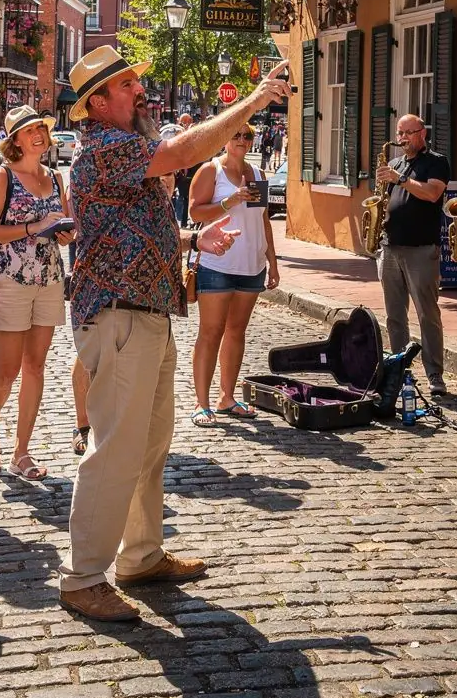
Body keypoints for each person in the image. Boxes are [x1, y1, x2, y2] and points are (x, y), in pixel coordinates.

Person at [60, 45, 291, 623]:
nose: (141, 91)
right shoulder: (106, 148)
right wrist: (255, 101)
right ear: (98, 103)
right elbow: (186, 149)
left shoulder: (123, 150)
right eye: (128, 86)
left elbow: (129, 227)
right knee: (115, 449)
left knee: (151, 444)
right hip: (119, 313)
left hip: (147, 310)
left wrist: (188, 242)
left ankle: (140, 556)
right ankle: (83, 577)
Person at [0, 106, 75, 480]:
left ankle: (22, 451)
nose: (38, 135)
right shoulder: (2, 177)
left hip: (49, 279)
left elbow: (67, 224)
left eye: (41, 129)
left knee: (36, 366)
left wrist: (68, 233)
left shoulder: (55, 177)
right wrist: (33, 227)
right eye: (29, 130)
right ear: (14, 140)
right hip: (11, 279)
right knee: (7, 369)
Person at [189, 120, 279, 425]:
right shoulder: (211, 171)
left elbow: (263, 220)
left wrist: (272, 262)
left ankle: (226, 397)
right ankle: (202, 404)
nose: (242, 139)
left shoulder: (257, 174)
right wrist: (230, 200)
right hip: (218, 264)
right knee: (211, 332)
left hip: (252, 265)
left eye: (247, 136)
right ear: (225, 139)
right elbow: (194, 212)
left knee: (236, 332)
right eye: (235, 134)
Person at [375, 115, 450, 399]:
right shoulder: (395, 163)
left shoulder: (436, 161)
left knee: (427, 314)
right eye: (400, 133)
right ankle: (399, 369)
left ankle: (435, 376)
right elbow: (385, 201)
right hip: (390, 247)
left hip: (421, 249)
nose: (403, 138)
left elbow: (432, 194)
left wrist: (401, 179)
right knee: (395, 316)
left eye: (409, 133)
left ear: (423, 132)